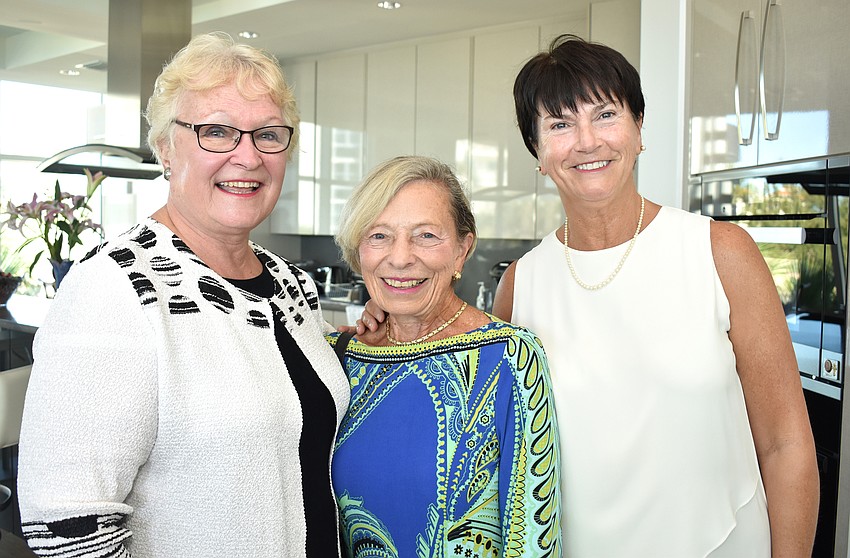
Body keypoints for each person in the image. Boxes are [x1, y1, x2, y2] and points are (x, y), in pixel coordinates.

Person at [352, 35, 819, 557]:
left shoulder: (718, 252)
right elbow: (459, 376)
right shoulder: (522, 284)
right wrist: (386, 315)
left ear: (639, 129)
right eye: (559, 124)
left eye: (605, 115)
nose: (586, 141)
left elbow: (785, 444)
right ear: (538, 153)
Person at [17, 32, 349, 558]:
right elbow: (67, 528)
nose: (248, 156)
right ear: (166, 148)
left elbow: (287, 408)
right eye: (216, 132)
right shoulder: (115, 287)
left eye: (267, 134)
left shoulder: (290, 283)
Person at [328, 155, 561, 557]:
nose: (400, 258)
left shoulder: (510, 358)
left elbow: (533, 534)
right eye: (379, 235)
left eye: (426, 235)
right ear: (358, 249)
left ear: (461, 250)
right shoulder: (336, 359)